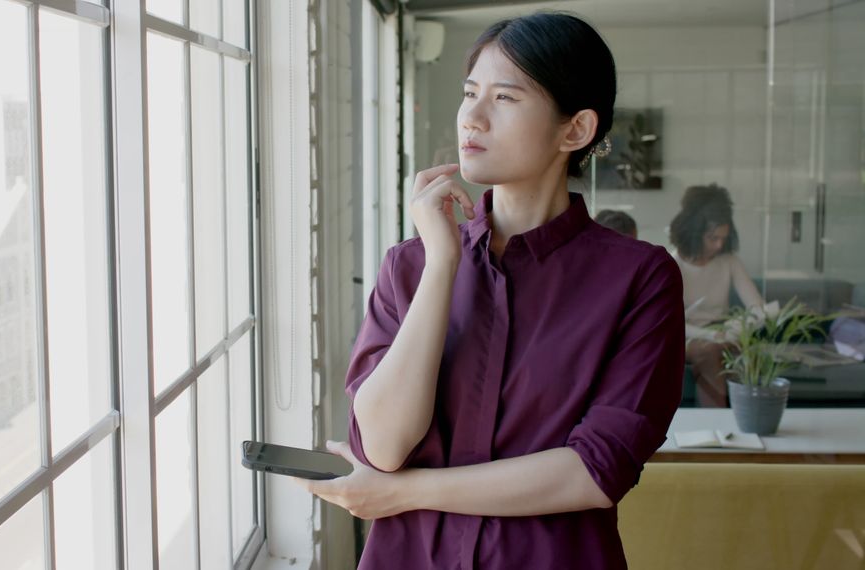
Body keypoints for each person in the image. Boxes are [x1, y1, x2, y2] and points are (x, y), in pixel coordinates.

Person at [297, 13, 684, 569]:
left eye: (505, 97)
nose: (472, 118)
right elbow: (382, 446)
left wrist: (404, 492)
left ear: (575, 130)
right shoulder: (411, 265)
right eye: (469, 93)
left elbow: (596, 471)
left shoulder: (639, 279)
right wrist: (442, 264)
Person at [670, 183, 763, 408]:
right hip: (688, 336)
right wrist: (710, 335)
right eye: (713, 238)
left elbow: (757, 308)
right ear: (695, 233)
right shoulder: (674, 263)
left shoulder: (729, 261)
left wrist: (736, 328)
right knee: (710, 352)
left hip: (724, 333)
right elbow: (672, 322)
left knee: (749, 354)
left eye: (723, 237)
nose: (719, 244)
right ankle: (717, 420)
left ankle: (751, 415)